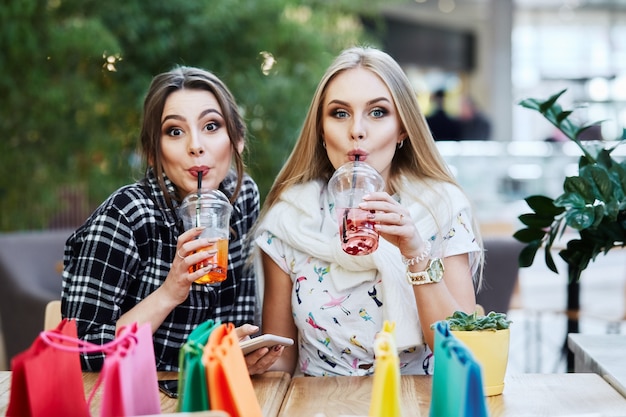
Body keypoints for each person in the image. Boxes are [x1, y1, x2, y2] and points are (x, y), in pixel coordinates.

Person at [254, 46, 484, 377]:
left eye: (377, 112)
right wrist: (251, 363)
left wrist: (416, 254)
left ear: (403, 127)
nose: (357, 130)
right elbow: (281, 362)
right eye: (339, 113)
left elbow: (465, 354)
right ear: (320, 129)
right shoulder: (290, 219)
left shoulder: (441, 209)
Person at [61, 66, 281, 373]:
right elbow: (76, 351)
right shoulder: (126, 215)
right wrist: (169, 292)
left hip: (205, 391)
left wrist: (238, 352)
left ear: (238, 139)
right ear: (154, 152)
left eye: (212, 126)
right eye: (175, 131)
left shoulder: (241, 196)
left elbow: (238, 312)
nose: (195, 145)